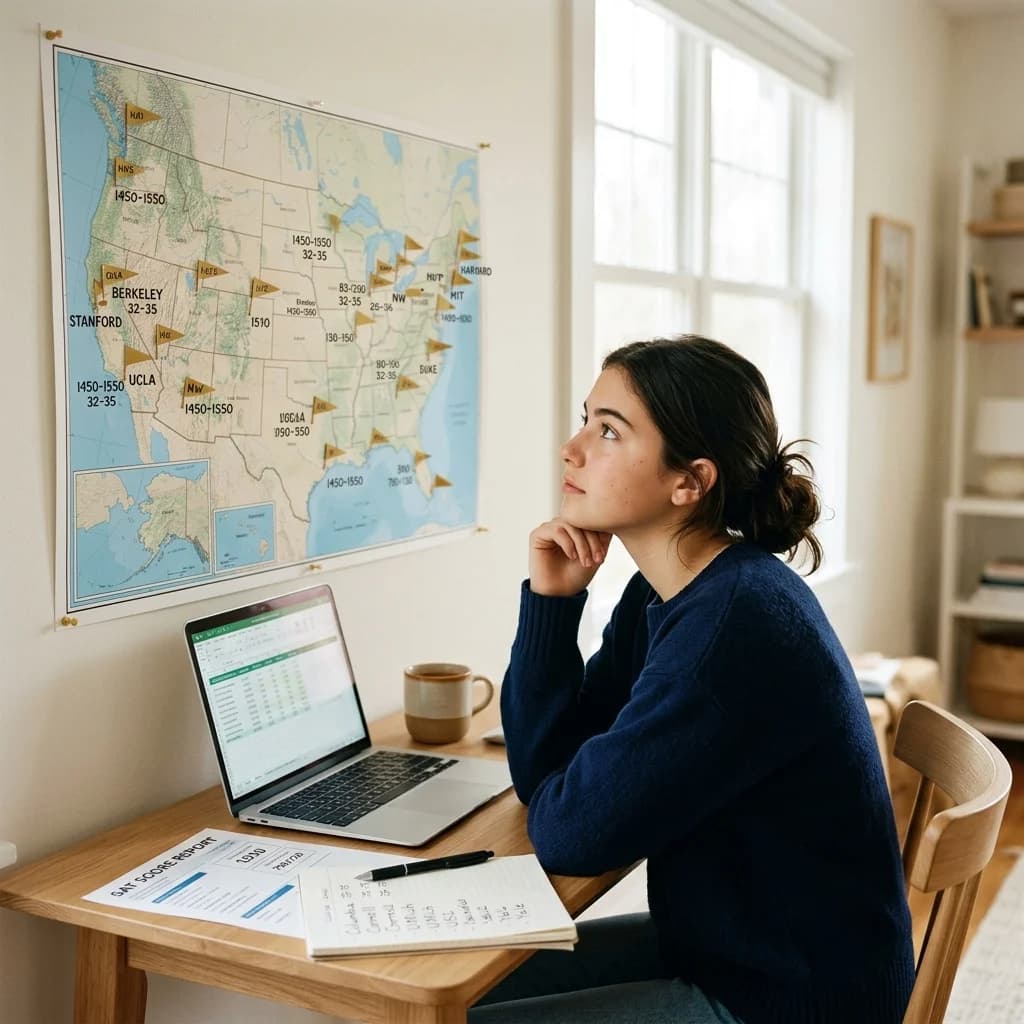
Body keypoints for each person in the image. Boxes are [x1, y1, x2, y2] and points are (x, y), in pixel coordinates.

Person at [471, 336, 915, 1024]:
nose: (572, 447)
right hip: (725, 951)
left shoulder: (732, 631)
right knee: (453, 997)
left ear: (691, 481)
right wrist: (552, 604)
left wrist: (567, 785)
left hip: (789, 998)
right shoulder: (668, 592)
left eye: (609, 430)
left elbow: (569, 833)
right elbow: (550, 775)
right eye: (586, 418)